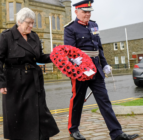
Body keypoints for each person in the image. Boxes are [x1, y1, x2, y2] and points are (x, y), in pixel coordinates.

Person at [64, 1, 139, 140]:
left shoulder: (94, 25)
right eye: (84, 11)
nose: (87, 14)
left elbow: (98, 47)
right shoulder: (70, 28)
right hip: (80, 71)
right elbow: (69, 50)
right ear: (76, 12)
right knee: (77, 100)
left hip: (96, 69)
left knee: (104, 101)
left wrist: (104, 64)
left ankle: (116, 133)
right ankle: (73, 129)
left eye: (89, 11)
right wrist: (76, 60)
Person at [0, 7, 59, 140]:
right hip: (14, 81)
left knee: (39, 111)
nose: (31, 25)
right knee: (18, 115)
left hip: (34, 81)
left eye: (32, 22)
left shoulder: (34, 36)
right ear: (19, 21)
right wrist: (1, 82)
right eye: (28, 22)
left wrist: (56, 56)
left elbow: (40, 57)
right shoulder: (6, 36)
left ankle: (41, 137)